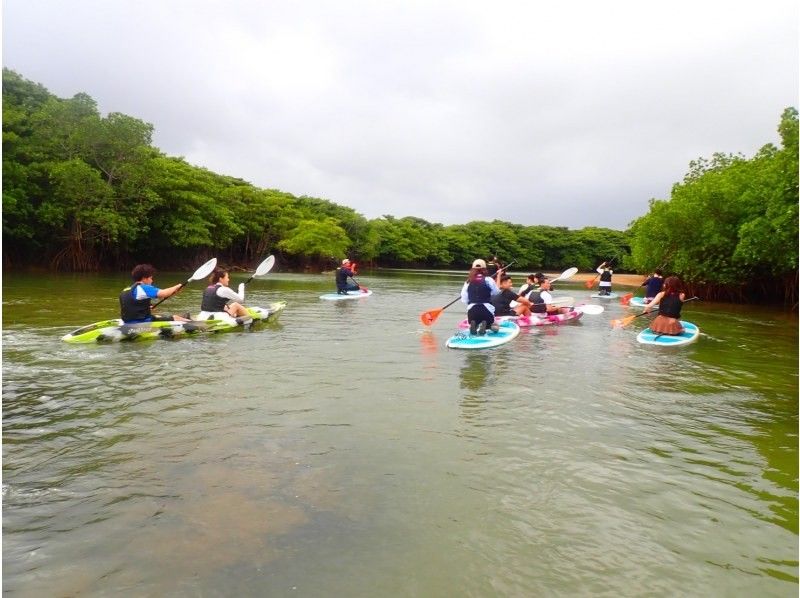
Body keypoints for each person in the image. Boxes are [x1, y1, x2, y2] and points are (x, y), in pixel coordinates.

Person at [119, 264, 190, 323]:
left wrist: (145, 308)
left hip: (127, 321)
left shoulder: (126, 290)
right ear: (144, 278)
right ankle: (196, 324)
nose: (152, 281)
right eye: (151, 278)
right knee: (176, 318)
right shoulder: (144, 288)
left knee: (159, 316)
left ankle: (184, 317)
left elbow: (130, 306)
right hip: (142, 322)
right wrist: (178, 286)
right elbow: (163, 293)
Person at [460, 259, 501, 335]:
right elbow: (496, 292)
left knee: (475, 320)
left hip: (472, 312)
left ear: (472, 269)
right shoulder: (489, 280)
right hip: (486, 310)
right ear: (485, 269)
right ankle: (485, 326)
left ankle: (474, 324)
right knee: (495, 327)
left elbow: (464, 299)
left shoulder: (467, 282)